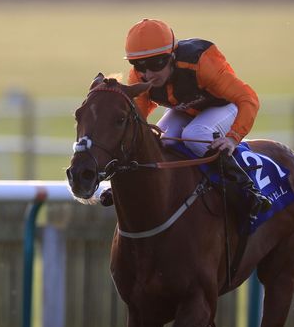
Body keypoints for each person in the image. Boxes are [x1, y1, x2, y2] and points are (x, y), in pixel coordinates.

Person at [104, 18, 271, 218]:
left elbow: (248, 99)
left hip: (226, 106)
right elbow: (137, 123)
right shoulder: (139, 77)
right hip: (189, 109)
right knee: (161, 139)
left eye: (155, 64)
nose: (147, 74)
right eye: (138, 65)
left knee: (195, 132)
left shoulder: (202, 63)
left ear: (172, 56)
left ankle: (247, 190)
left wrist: (232, 138)